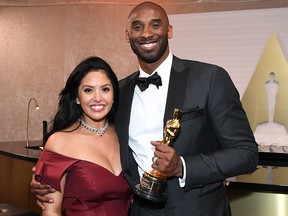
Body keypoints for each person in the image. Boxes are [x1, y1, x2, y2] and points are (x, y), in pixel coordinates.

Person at [31, 2, 259, 216]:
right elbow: (90, 148)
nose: (147, 33)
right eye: (137, 27)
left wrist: (183, 166)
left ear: (169, 30)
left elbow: (246, 153)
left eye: (155, 25)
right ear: (127, 35)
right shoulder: (117, 93)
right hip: (139, 210)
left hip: (198, 209)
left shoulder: (210, 78)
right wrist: (50, 179)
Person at [33, 56, 132, 216]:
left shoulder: (125, 135)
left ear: (114, 95)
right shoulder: (59, 142)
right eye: (88, 90)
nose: (98, 98)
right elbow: (51, 212)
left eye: (105, 89)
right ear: (77, 98)